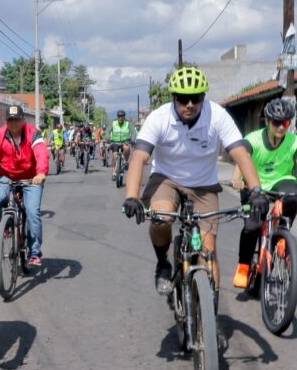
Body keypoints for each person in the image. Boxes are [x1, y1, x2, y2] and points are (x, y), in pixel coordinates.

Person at [122, 65, 266, 296]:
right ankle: (163, 263)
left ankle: (209, 313)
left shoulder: (216, 115)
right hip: (166, 179)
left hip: (203, 185)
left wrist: (257, 190)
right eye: (183, 99)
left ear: (203, 98)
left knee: (208, 251)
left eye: (195, 98)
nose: (189, 104)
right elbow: (139, 157)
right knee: (162, 219)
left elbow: (240, 153)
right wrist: (131, 196)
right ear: (174, 98)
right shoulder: (159, 118)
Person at [231, 97, 297, 288]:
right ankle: (244, 266)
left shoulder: (293, 142)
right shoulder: (253, 139)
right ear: (267, 121)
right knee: (253, 225)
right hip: (255, 185)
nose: (281, 127)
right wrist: (237, 178)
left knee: (294, 196)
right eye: (276, 122)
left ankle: (282, 232)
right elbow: (243, 159)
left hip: (281, 183)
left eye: (285, 123)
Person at [0, 106, 49, 265]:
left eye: (17, 119)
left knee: (32, 211)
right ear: (6, 121)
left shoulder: (33, 133)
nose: (13, 123)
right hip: (7, 175)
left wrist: (41, 173)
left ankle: (34, 252)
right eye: (10, 120)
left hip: (31, 178)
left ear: (23, 120)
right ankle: (6, 221)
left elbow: (41, 153)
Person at [108, 110, 136, 180]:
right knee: (114, 156)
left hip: (125, 141)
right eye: (119, 116)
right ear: (117, 117)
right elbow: (107, 131)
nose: (120, 118)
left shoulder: (128, 123)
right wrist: (107, 138)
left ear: (124, 117)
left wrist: (132, 140)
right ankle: (114, 173)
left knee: (127, 148)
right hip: (115, 141)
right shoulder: (113, 123)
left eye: (122, 116)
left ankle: (126, 161)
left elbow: (133, 132)